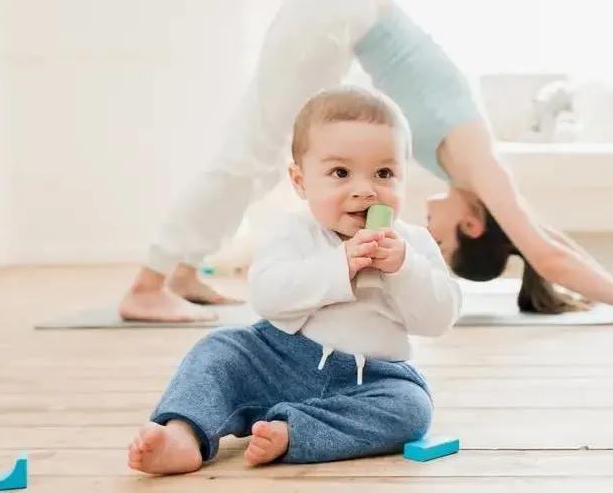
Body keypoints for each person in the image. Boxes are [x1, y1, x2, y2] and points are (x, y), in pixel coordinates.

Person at [118, 0, 613, 323]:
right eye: (445, 238)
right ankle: (148, 286)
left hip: (343, 10)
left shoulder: (473, 173)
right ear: (474, 226)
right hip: (339, 10)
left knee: (259, 146)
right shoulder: (482, 167)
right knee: (256, 151)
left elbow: (543, 239)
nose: (427, 220)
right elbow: (545, 253)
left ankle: (183, 271)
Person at [127, 86, 460, 474]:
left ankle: (295, 432)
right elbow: (268, 294)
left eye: (384, 173)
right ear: (300, 181)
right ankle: (183, 432)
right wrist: (341, 266)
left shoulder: (413, 244)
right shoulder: (294, 233)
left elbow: (439, 318)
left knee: (411, 408)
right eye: (340, 173)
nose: (365, 189)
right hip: (281, 357)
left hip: (370, 376)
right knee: (219, 350)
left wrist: (404, 268)